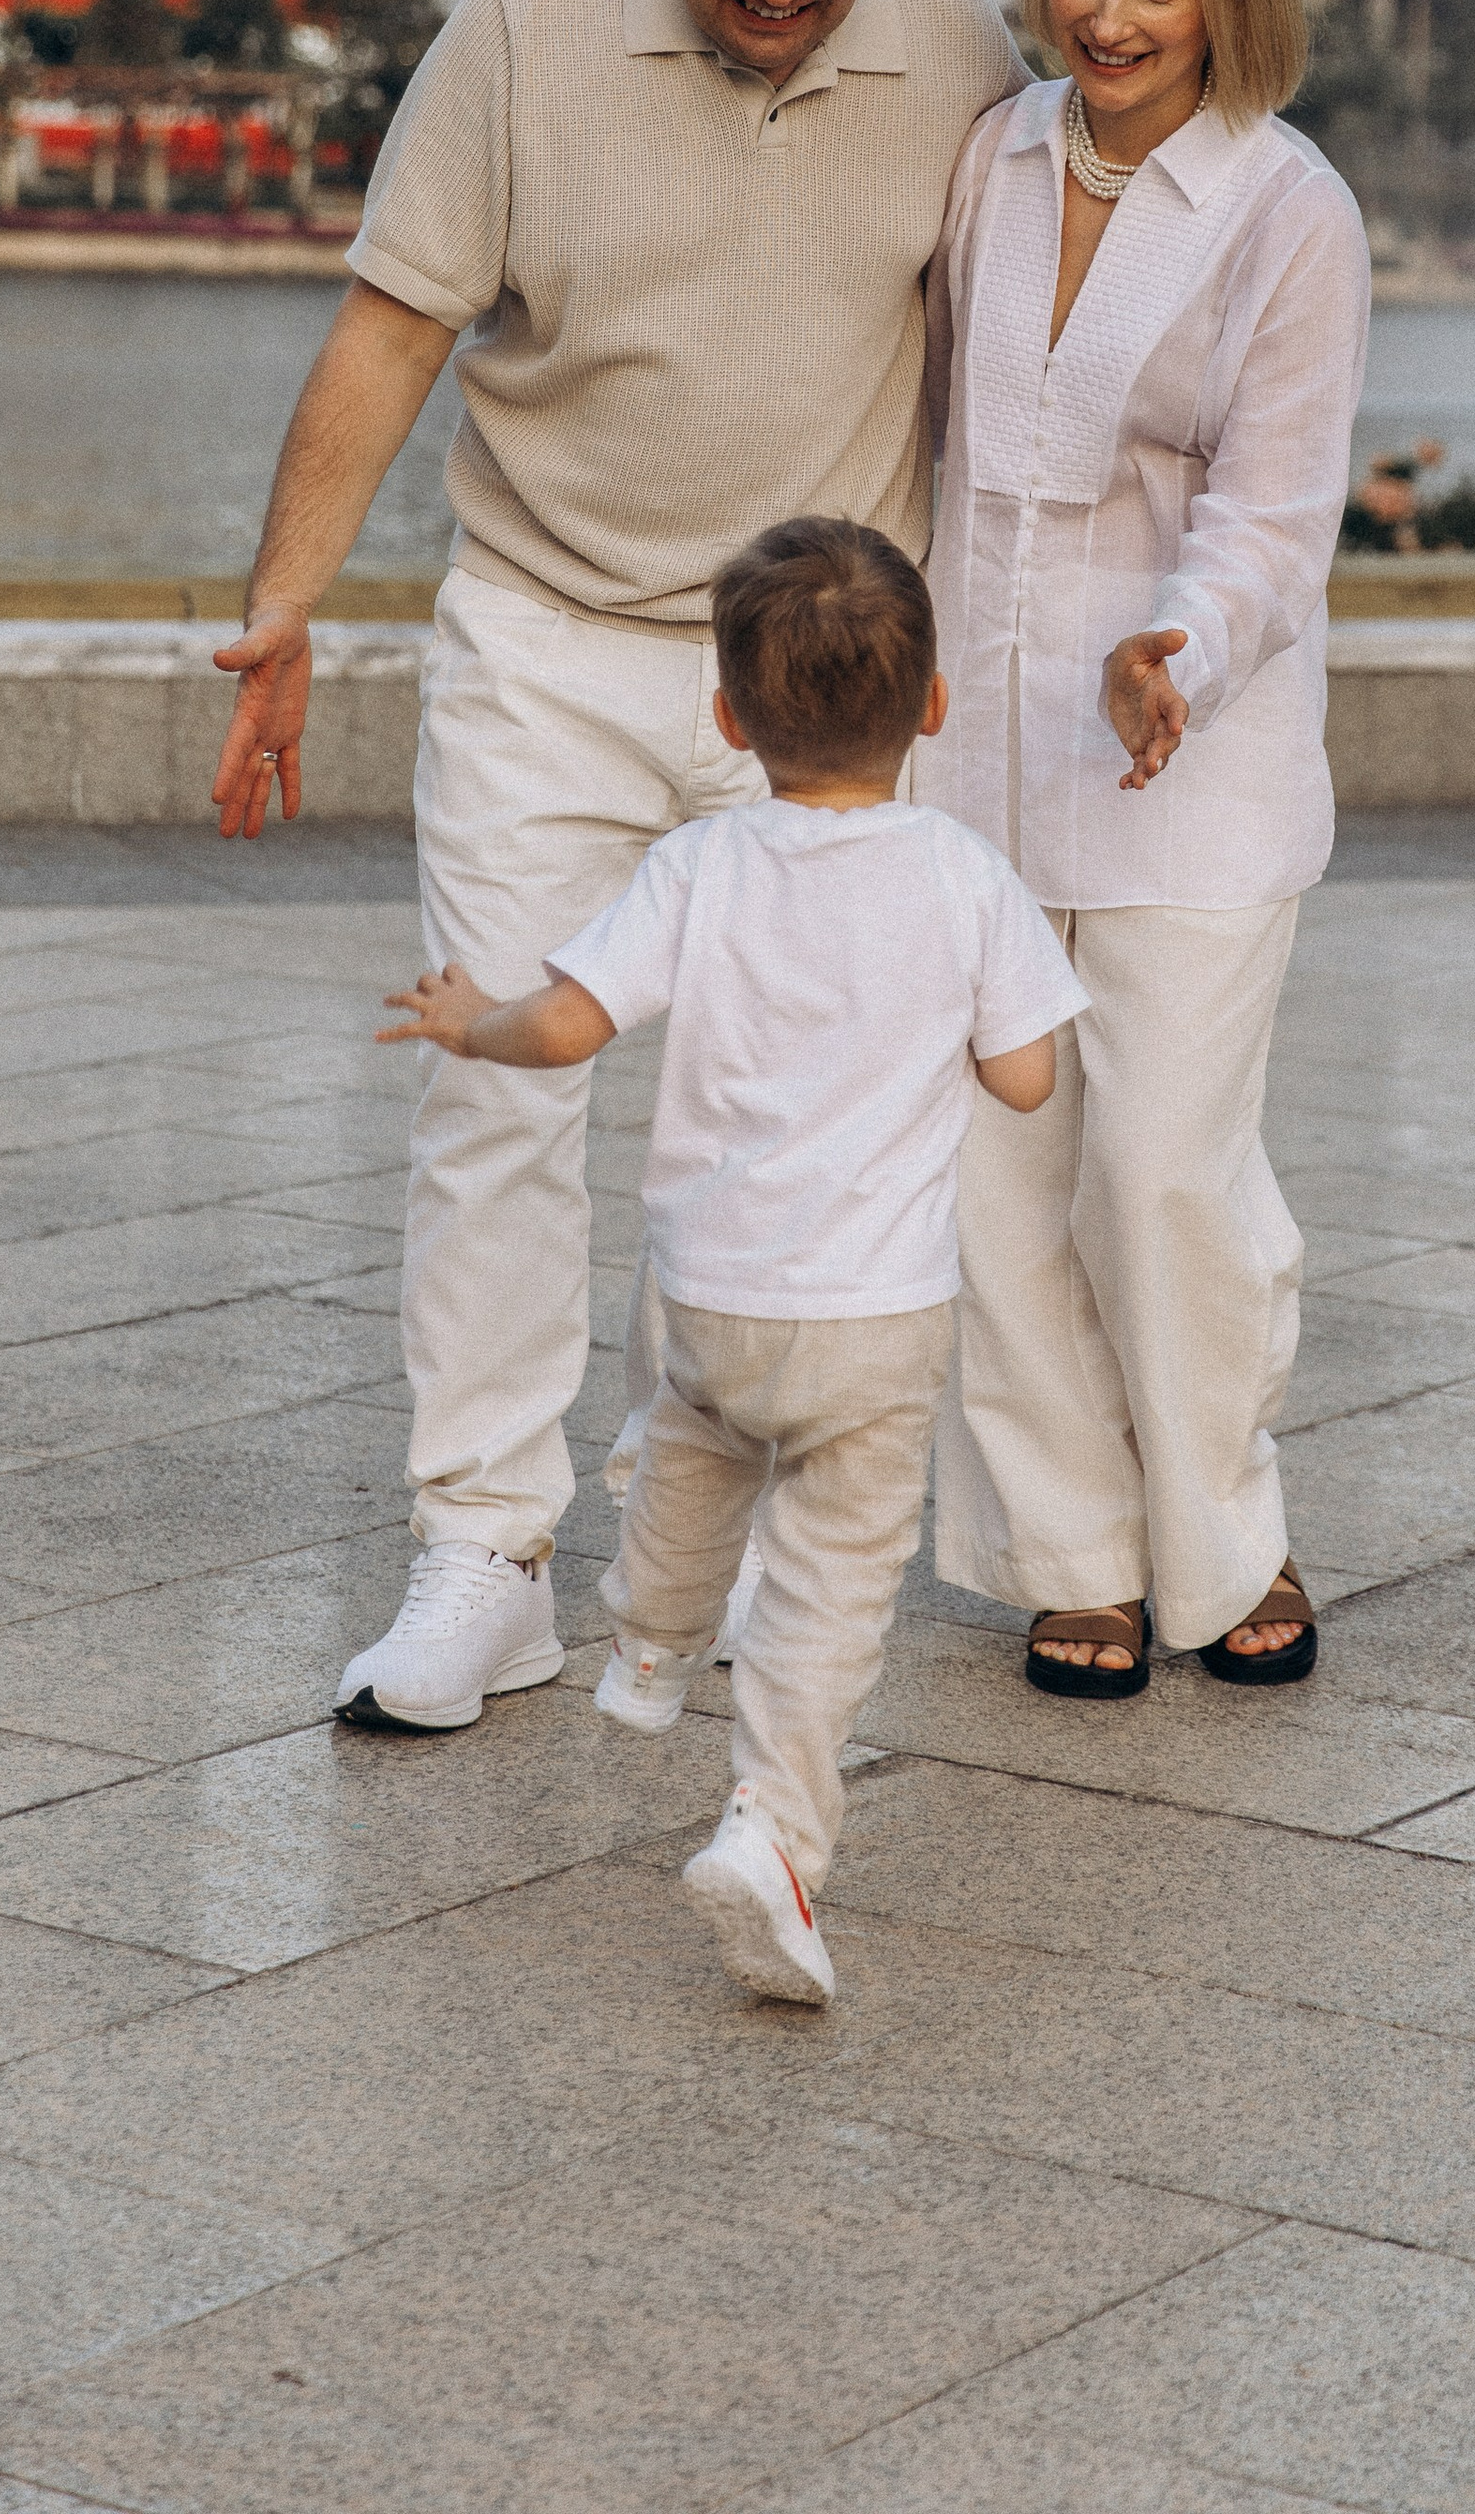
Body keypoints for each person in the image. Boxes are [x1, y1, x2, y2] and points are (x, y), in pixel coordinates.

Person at [208, 0, 1023, 1734]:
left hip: (816, 692)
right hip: (548, 643)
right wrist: (281, 611)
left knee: (791, 1118)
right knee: (496, 1082)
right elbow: (395, 320)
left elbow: (1029, 358)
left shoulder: (965, 50)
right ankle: (483, 1552)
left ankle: (735, 1535)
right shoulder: (524, 22)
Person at [379, 518, 1085, 2002]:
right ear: (935, 707)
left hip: (710, 1294)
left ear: (726, 718)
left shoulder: (701, 864)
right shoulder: (965, 877)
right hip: (877, 1319)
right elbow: (1026, 1081)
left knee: (689, 1448)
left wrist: (469, 1020)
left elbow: (565, 1031)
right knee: (832, 1581)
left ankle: (646, 1649)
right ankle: (772, 1832)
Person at [917, 0, 1371, 1698]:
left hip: (1191, 764)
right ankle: (1070, 1553)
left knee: (1165, 1169)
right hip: (972, 762)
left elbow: (1275, 507)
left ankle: (1225, 1529)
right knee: (1001, 1181)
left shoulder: (1292, 208)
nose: (1109, 18)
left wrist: (1181, 639)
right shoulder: (993, 161)